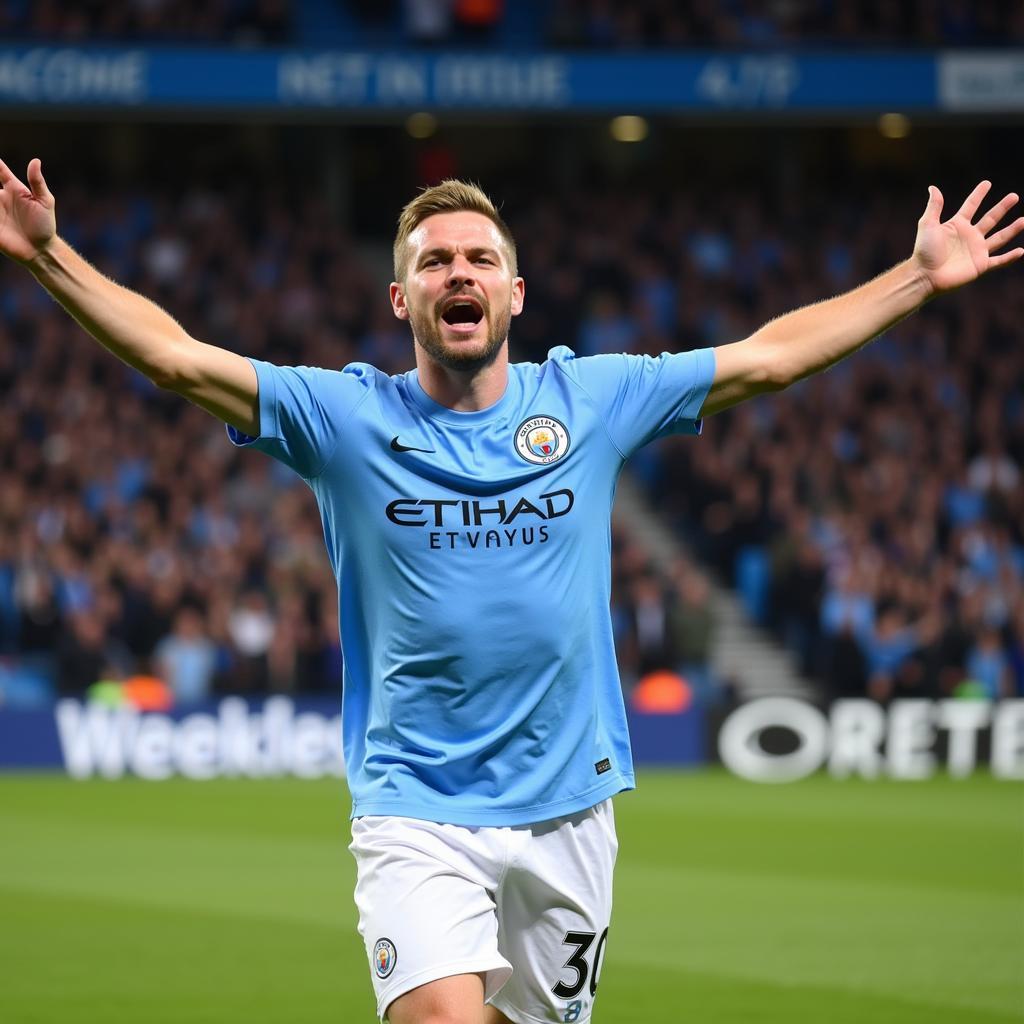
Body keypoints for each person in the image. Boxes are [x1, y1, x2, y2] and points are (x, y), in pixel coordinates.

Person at [1, 156, 1020, 1024]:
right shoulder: (341, 417)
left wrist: (916, 281)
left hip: (570, 805)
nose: (459, 272)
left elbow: (767, 359)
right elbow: (177, 359)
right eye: (434, 261)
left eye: (480, 259)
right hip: (417, 806)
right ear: (400, 298)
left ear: (515, 295)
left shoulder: (592, 396)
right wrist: (50, 255)